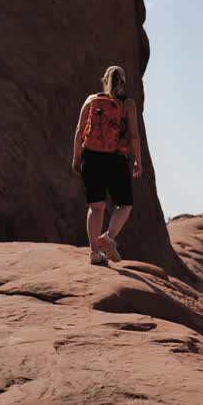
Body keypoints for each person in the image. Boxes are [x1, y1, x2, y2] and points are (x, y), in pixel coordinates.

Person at [72, 65, 143, 265]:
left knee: (96, 207)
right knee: (124, 204)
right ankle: (108, 237)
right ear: (123, 82)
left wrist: (76, 157)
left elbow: (79, 130)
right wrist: (138, 160)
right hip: (116, 159)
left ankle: (94, 253)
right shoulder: (128, 104)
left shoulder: (91, 100)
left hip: (91, 157)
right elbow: (135, 136)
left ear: (104, 79)